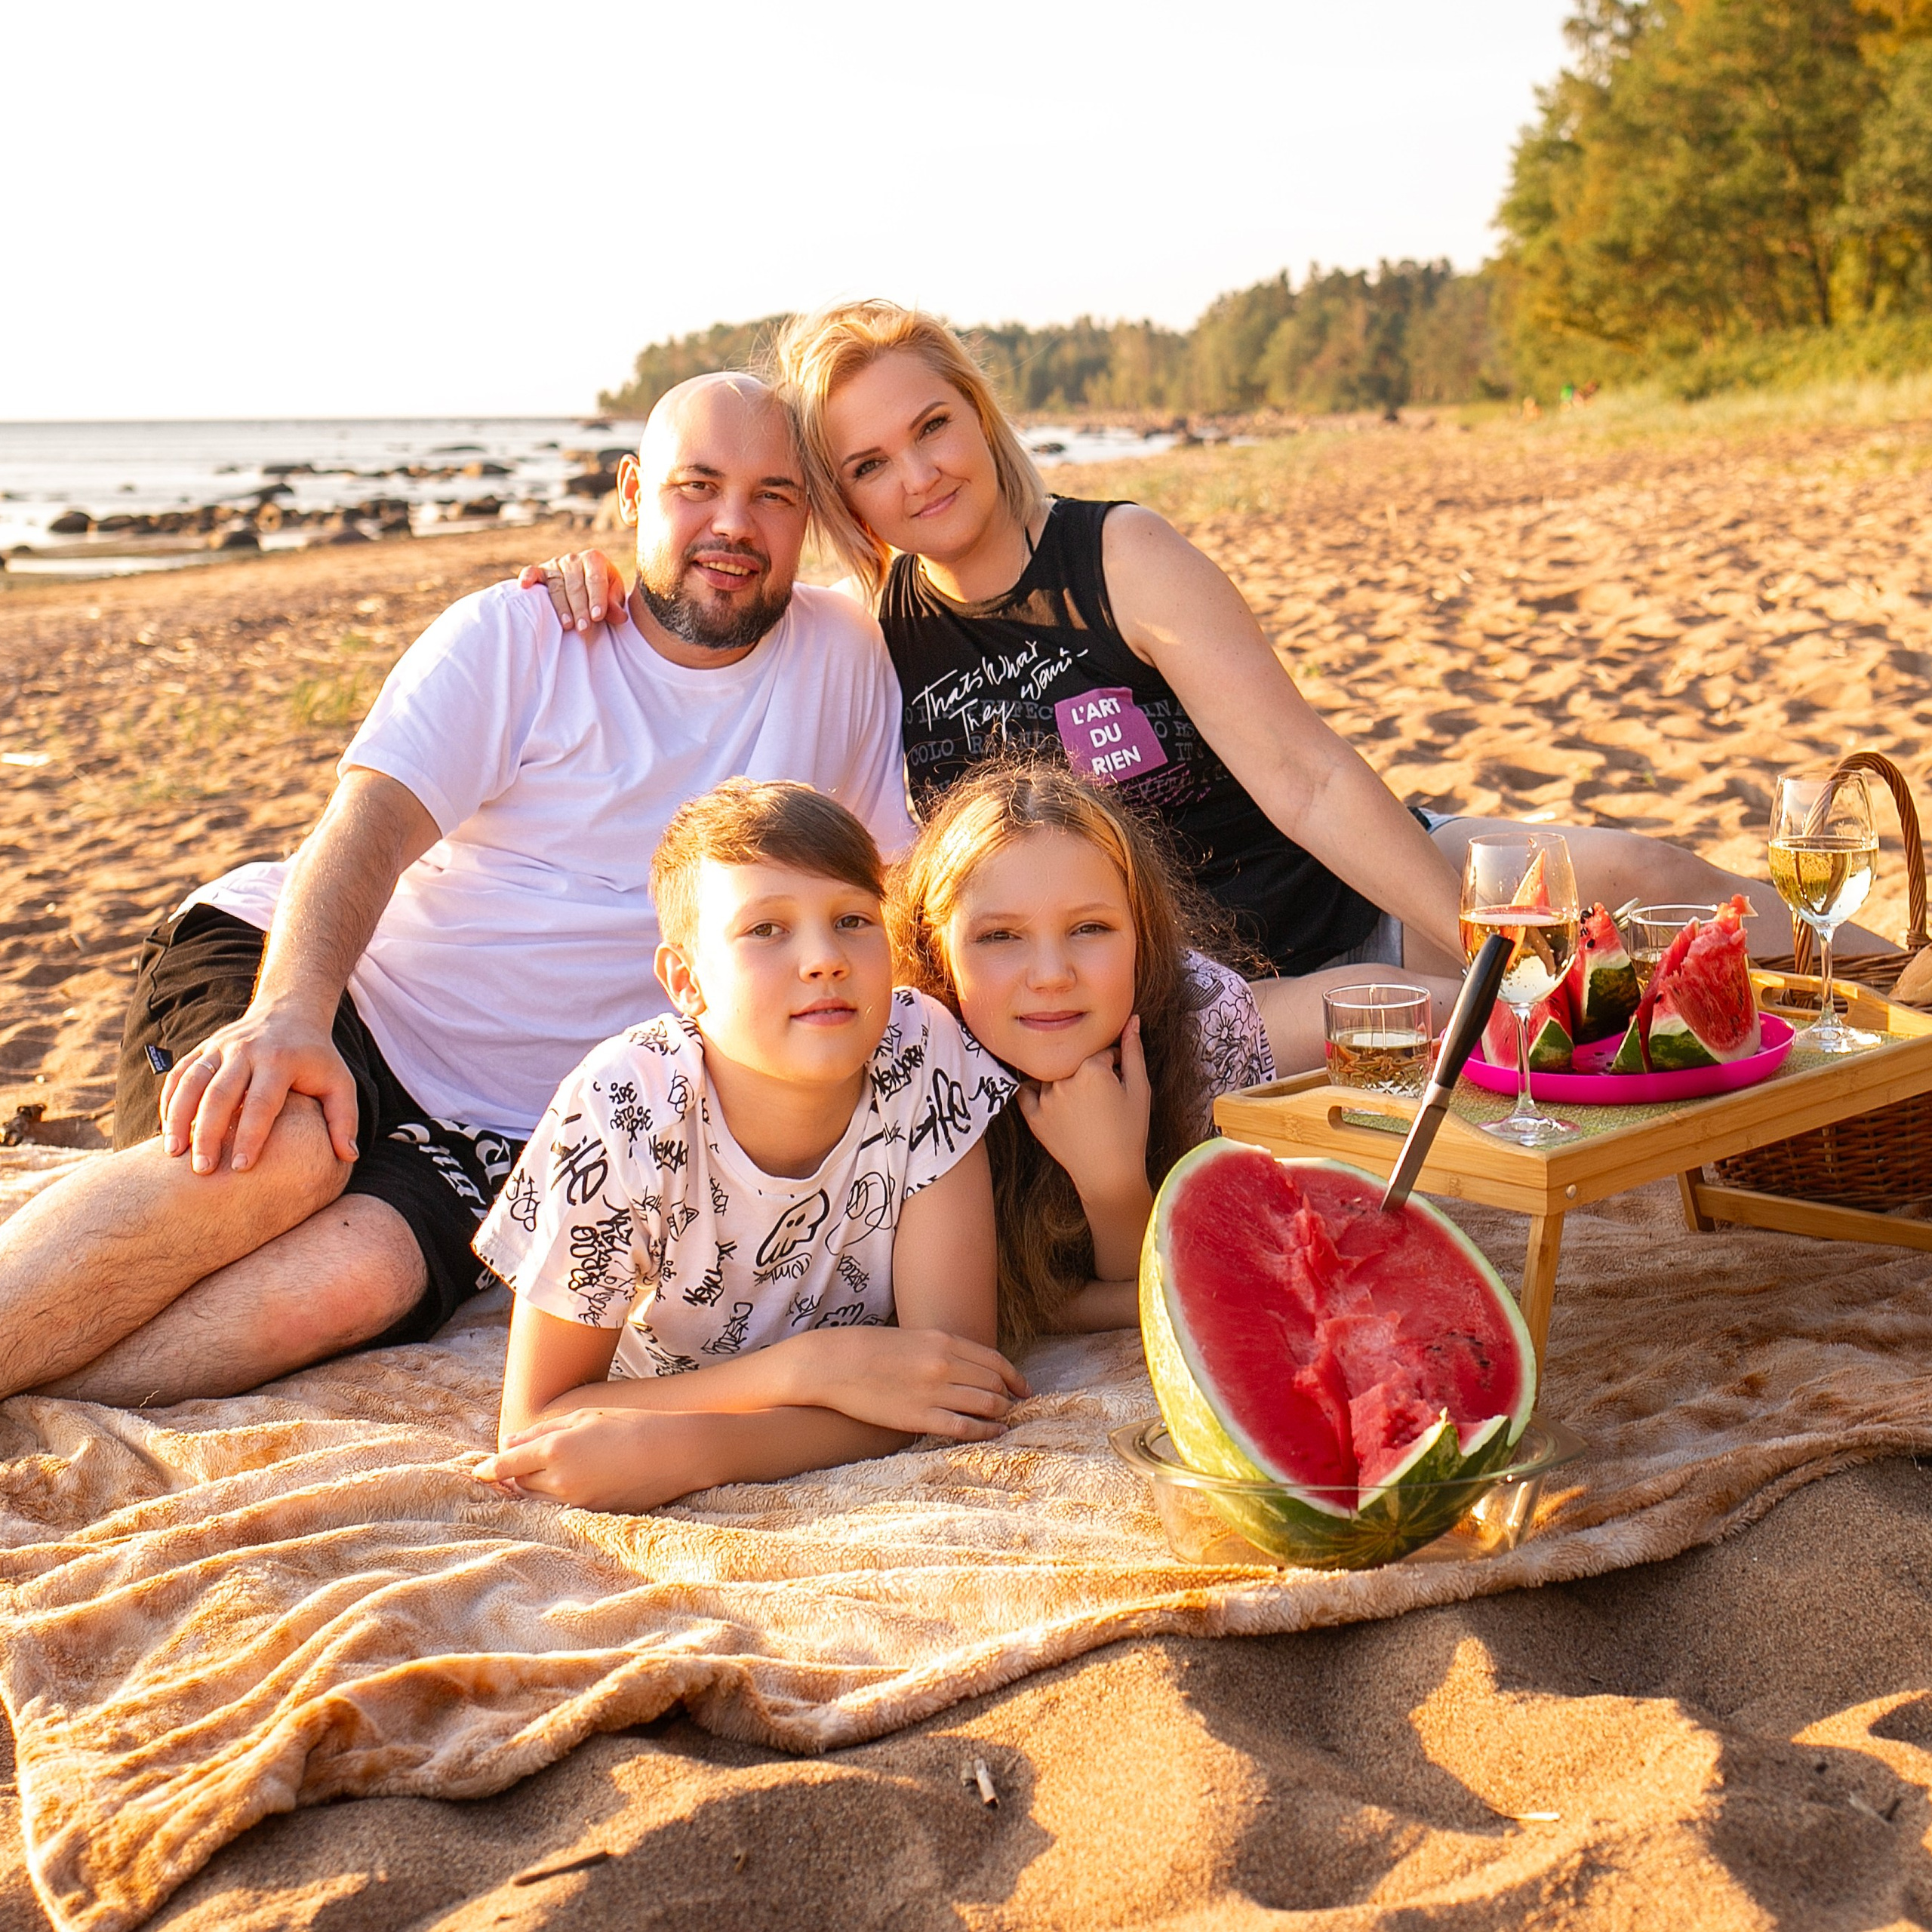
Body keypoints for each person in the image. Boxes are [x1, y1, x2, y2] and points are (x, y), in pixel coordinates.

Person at [528, 303, 1857, 1069]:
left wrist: (1473, 927)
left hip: (1363, 892)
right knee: (1456, 1028)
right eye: (871, 464)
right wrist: (602, 568)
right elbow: (715, 600)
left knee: (1646, 878)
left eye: (931, 426)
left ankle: (1890, 987)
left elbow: (1310, 775)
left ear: (978, 415)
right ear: (846, 500)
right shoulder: (862, 631)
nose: (919, 473)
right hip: (1177, 1006)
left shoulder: (1121, 554)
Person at [0, 374, 916, 1407]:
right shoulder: (527, 634)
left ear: (810, 517)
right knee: (286, 1157)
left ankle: (39, 1411)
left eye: (774, 497)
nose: (732, 526)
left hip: (500, 1135)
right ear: (632, 493)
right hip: (326, 981)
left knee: (358, 1280)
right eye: (696, 487)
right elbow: (368, 823)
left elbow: (899, 879)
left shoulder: (845, 657)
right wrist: (290, 1015)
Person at [471, 780, 1026, 1512]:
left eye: (853, 919)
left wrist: (695, 1451)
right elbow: (540, 1422)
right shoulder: (620, 1108)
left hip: (697, 1418)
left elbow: (952, 1384)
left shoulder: (919, 1050)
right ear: (687, 980)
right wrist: (810, 1370)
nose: (824, 957)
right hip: (673, 1383)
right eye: (766, 929)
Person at [888, 758, 1272, 1343]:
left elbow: (1219, 1281)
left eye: (1089, 928)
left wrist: (1112, 1182)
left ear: (1142, 930)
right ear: (935, 952)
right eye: (1000, 937)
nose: (1050, 975)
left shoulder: (1210, 1018)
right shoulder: (904, 1059)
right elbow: (972, 1316)